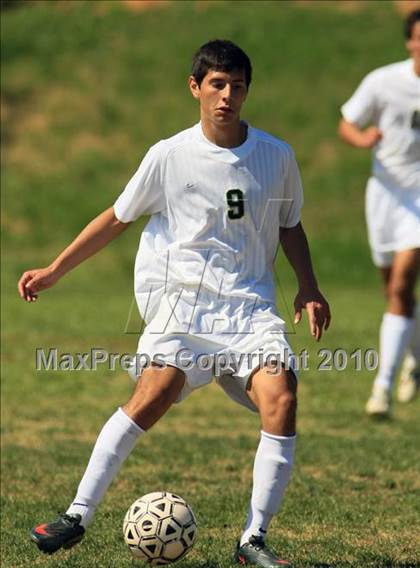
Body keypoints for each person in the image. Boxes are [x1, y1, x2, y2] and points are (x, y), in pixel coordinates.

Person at [19, 40, 330, 567]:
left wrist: (309, 286)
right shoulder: (169, 155)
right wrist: (54, 269)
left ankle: (252, 540)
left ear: (247, 90)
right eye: (216, 84)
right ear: (195, 88)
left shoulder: (276, 156)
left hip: (249, 310)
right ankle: (77, 514)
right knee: (155, 390)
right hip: (183, 308)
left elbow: (289, 223)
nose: (227, 96)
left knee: (282, 396)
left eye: (236, 86)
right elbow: (117, 218)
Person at [338, 10, 420, 417]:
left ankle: (381, 389)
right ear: (410, 42)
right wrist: (364, 138)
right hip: (385, 196)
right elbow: (347, 123)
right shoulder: (384, 81)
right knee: (394, 292)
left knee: (403, 285)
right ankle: (414, 359)